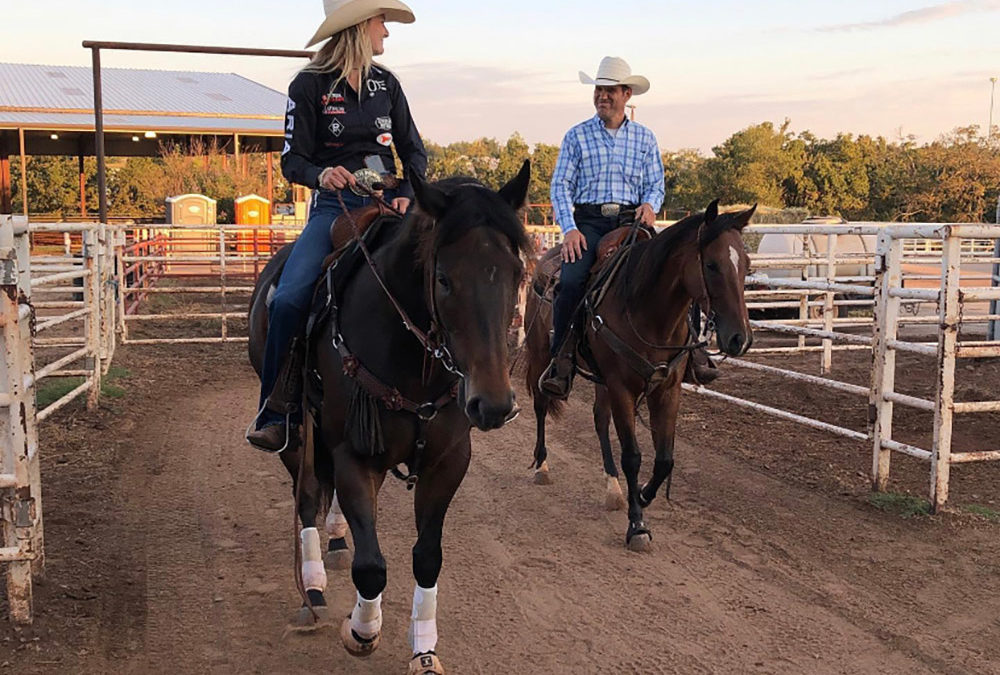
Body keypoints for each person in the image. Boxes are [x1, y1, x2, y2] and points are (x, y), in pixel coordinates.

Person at [247, 0, 427, 451]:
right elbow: (293, 160)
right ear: (359, 26)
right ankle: (276, 409)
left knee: (441, 278)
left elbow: (415, 151)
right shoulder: (308, 84)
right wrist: (320, 174)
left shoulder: (388, 85)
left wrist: (408, 190)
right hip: (335, 208)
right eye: (380, 21)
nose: (386, 31)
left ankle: (453, 388)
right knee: (288, 298)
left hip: (390, 206)